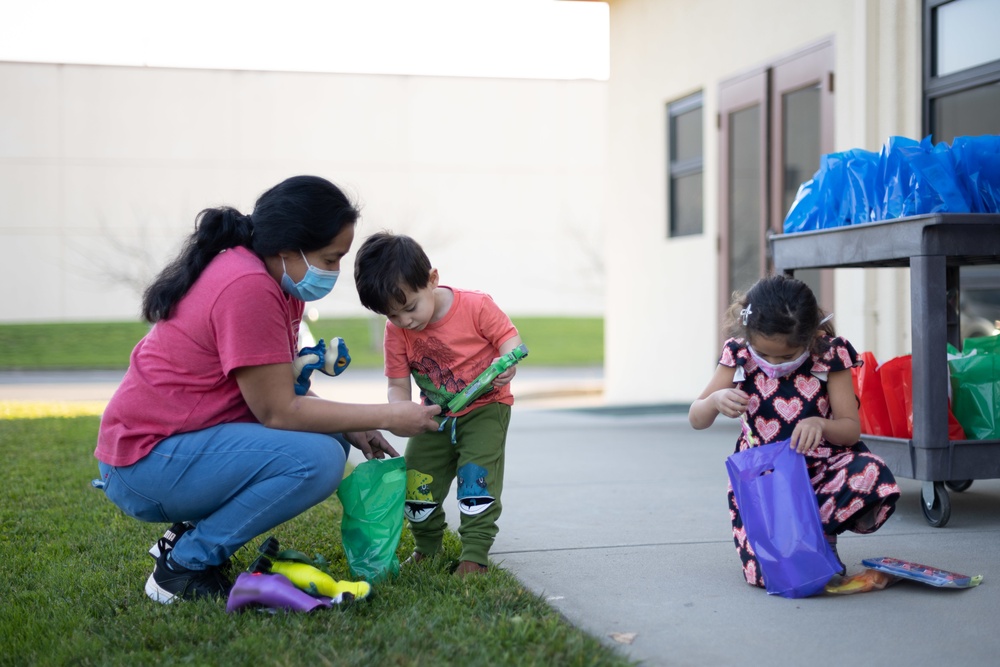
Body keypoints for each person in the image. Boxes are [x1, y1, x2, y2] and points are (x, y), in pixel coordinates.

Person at [94, 175, 442, 604]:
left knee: (332, 437)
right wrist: (388, 414)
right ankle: (184, 566)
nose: (333, 273)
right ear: (287, 249)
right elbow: (278, 412)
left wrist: (356, 427)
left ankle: (186, 537)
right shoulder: (248, 287)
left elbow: (269, 387)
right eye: (330, 259)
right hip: (144, 463)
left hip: (169, 449)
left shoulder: (275, 281)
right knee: (316, 461)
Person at [688, 274, 900, 588]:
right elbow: (696, 417)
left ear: (811, 336)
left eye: (786, 356)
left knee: (871, 471)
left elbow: (850, 431)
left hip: (820, 470)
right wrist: (716, 401)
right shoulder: (739, 354)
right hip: (765, 480)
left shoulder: (829, 355)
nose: (773, 363)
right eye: (765, 354)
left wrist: (821, 424)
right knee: (768, 577)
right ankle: (796, 542)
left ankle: (820, 536)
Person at [353, 232, 523, 577]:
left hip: (486, 406)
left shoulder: (475, 306)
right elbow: (397, 384)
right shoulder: (396, 331)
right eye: (392, 315)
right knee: (416, 480)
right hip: (433, 415)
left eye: (410, 307)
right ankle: (427, 547)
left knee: (477, 478)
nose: (405, 321)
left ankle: (474, 554)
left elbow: (510, 340)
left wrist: (509, 362)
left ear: (432, 279)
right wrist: (401, 411)